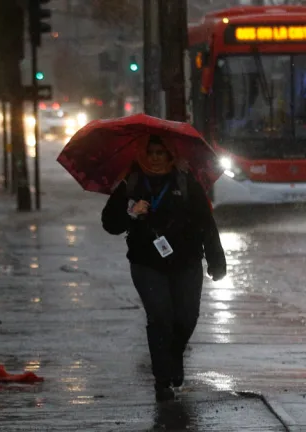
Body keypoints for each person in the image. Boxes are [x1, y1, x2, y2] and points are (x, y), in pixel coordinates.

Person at [101, 135, 227, 402]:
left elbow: (205, 221)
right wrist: (131, 213)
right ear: (143, 154)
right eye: (151, 152)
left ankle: (173, 358)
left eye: (161, 152)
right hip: (147, 262)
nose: (156, 157)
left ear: (170, 155)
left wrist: (216, 260)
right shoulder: (131, 182)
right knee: (160, 317)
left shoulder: (185, 181)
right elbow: (110, 224)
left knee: (186, 317)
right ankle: (162, 380)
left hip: (187, 260)